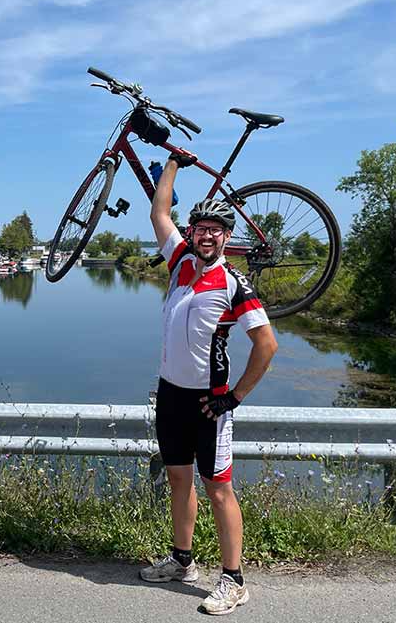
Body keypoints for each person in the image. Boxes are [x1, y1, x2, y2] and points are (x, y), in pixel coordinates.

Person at [138, 151, 278, 615]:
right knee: (179, 479)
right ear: (193, 234)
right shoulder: (178, 260)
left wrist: (234, 398)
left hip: (209, 403)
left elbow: (267, 345)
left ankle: (234, 580)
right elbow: (160, 211)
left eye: (216, 230)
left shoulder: (234, 283)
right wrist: (174, 164)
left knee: (218, 489)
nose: (206, 235)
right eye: (200, 229)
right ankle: (182, 561)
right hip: (171, 394)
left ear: (226, 237)